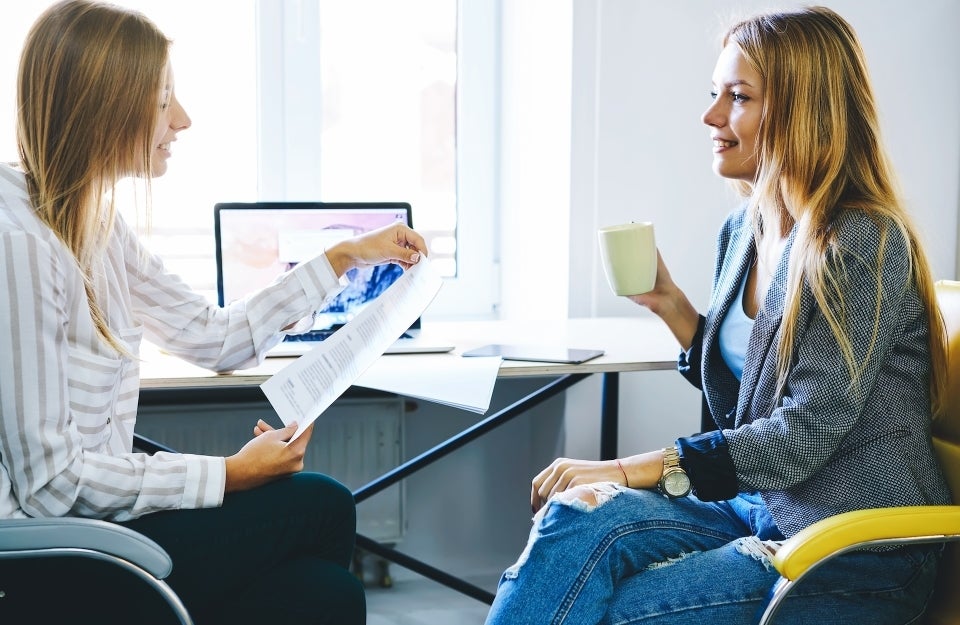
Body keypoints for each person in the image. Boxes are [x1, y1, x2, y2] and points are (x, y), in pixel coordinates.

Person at [485, 6, 951, 625]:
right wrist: (672, 306)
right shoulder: (745, 232)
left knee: (615, 609)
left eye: (738, 97)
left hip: (852, 544)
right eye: (715, 94)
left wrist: (629, 468)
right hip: (764, 506)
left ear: (801, 110)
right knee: (578, 516)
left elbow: (804, 432)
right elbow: (745, 410)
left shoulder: (861, 241)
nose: (710, 117)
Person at [0, 1, 427, 623]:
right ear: (104, 108)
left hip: (100, 523)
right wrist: (228, 474)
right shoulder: (21, 243)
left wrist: (343, 258)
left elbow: (214, 336)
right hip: (67, 554)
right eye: (162, 99)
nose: (184, 119)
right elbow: (52, 485)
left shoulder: (92, 222)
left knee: (330, 594)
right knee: (322, 507)